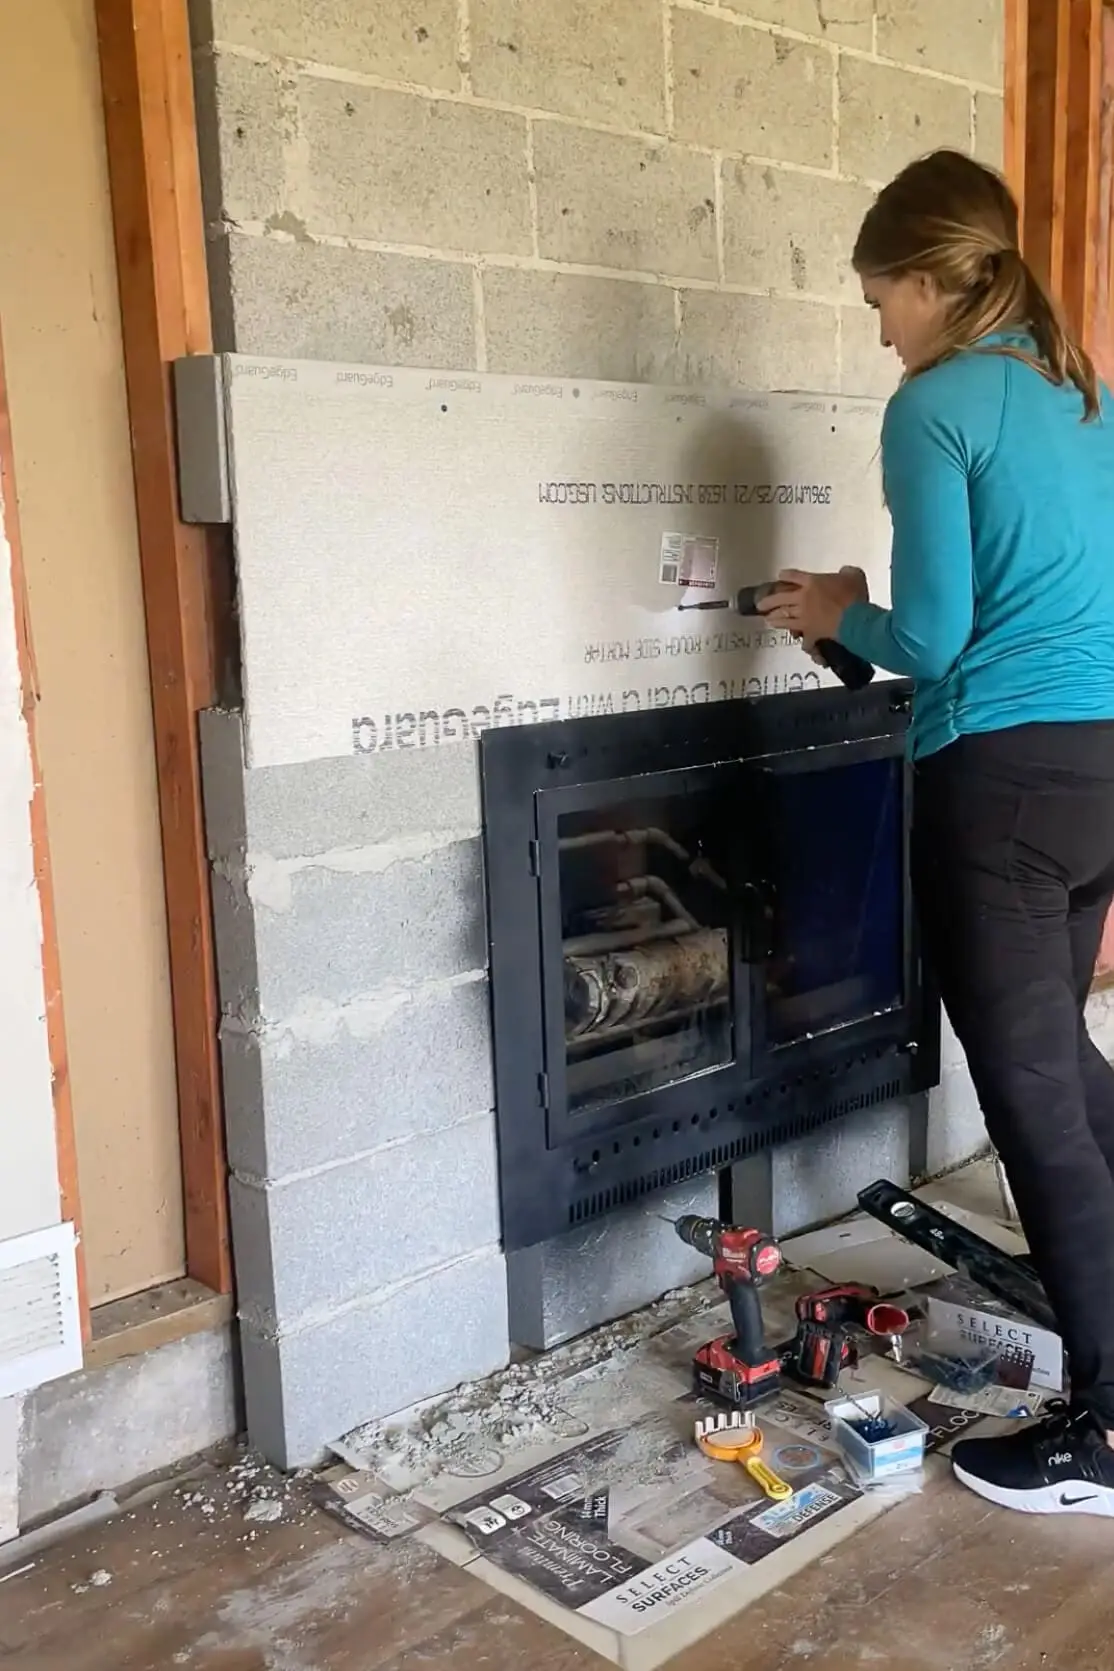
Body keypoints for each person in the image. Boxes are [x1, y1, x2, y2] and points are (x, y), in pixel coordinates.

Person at [757, 149, 1114, 1517]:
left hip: (1003, 788)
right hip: (1097, 773)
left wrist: (837, 613)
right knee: (1057, 1058)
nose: (877, 328)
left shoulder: (935, 405)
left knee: (1024, 1094)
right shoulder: (1080, 394)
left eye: (876, 301)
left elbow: (936, 638)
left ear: (925, 280)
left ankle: (1100, 1426)